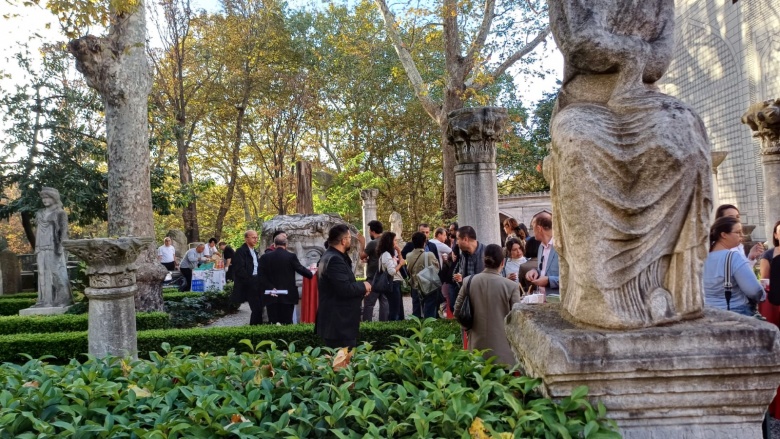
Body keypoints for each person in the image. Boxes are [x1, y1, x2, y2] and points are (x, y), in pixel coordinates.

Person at [454, 243, 522, 365]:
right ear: (502, 263)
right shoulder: (511, 286)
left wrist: (468, 329)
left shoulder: (468, 281)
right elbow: (517, 321)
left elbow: (457, 311)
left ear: (484, 260)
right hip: (504, 352)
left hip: (476, 347)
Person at [315, 224, 372, 348]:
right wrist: (363, 286)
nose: (351, 241)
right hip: (339, 324)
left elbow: (343, 284)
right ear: (343, 240)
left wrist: (361, 290)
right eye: (350, 238)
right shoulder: (334, 259)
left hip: (338, 323)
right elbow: (344, 289)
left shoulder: (331, 256)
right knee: (342, 365)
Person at [703, 216, 764, 316]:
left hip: (708, 312)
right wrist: (763, 295)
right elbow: (754, 291)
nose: (742, 235)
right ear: (723, 235)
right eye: (738, 232)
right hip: (735, 311)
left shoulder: (702, 258)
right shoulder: (733, 257)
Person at [259, 233, 313, 324]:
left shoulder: (265, 257)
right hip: (287, 295)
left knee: (273, 322)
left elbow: (261, 275)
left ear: (274, 244)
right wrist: (311, 273)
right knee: (287, 322)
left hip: (271, 294)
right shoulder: (290, 256)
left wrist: (270, 286)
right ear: (286, 245)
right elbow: (300, 269)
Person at [35, 187, 72, 307]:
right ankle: (45, 301)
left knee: (56, 273)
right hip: (41, 246)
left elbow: (64, 232)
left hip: (54, 247)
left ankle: (62, 300)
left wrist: (61, 247)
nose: (44, 200)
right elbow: (38, 231)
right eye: (43, 198)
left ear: (54, 198)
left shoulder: (60, 213)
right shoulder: (39, 213)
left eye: (47, 197)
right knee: (42, 273)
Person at [401, 223, 440, 317]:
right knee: (430, 309)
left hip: (415, 284)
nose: (426, 235)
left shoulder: (409, 256)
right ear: (424, 242)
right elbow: (437, 269)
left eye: (427, 232)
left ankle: (417, 328)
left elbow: (405, 265)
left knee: (416, 308)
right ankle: (429, 329)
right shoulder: (429, 254)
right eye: (423, 233)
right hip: (428, 283)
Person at [524, 211, 560, 298]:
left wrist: (549, 280)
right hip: (542, 299)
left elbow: (570, 277)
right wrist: (535, 271)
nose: (533, 231)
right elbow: (544, 269)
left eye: (533, 228)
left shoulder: (560, 246)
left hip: (557, 301)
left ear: (539, 228)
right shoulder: (541, 246)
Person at [230, 230, 263, 324]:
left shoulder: (254, 251)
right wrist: (251, 280)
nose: (256, 239)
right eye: (253, 237)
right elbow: (239, 270)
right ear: (246, 239)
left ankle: (258, 327)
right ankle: (255, 329)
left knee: (259, 308)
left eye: (256, 237)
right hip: (249, 283)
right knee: (256, 308)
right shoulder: (241, 251)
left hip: (257, 281)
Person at [361, 220, 389, 321]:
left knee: (369, 304)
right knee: (384, 302)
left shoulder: (372, 243)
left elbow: (362, 256)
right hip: (385, 277)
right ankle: (383, 324)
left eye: (369, 231)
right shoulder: (387, 242)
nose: (369, 233)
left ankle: (367, 325)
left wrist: (362, 243)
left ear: (372, 231)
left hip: (373, 277)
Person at [375, 231, 406, 321]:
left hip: (396, 283)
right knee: (394, 310)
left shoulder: (391, 254)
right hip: (393, 283)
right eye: (395, 240)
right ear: (389, 241)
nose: (396, 242)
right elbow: (392, 271)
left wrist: (399, 252)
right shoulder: (386, 255)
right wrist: (400, 264)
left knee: (399, 309)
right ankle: (393, 329)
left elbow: (402, 263)